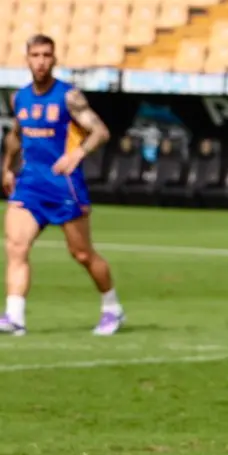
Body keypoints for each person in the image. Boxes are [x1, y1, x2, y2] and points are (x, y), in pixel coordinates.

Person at [1, 34, 122, 336]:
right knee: (16, 247)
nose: (41, 62)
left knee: (82, 254)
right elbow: (16, 134)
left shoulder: (69, 97)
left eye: (46, 55)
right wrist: (7, 167)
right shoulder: (20, 97)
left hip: (64, 186)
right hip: (29, 185)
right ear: (27, 59)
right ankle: (14, 316)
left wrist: (77, 154)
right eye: (35, 56)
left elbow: (100, 131)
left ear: (54, 59)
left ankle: (112, 307)